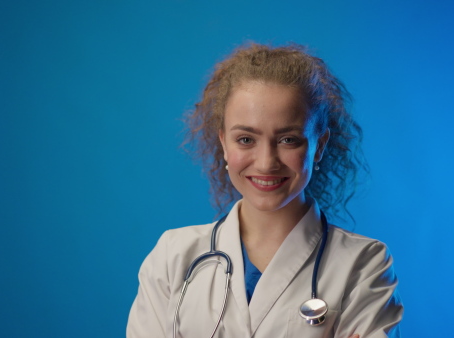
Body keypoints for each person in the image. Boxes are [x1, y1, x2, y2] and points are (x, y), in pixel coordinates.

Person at [127, 43, 403, 338]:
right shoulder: (173, 256)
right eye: (246, 139)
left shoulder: (363, 264)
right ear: (223, 142)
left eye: (288, 140)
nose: (266, 162)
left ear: (319, 146)